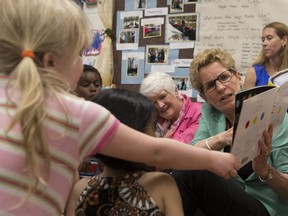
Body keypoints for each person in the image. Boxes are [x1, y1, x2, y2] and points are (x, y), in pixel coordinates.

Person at [0, 1, 240, 215]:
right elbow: (156, 151)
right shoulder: (75, 112)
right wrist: (212, 160)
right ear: (51, 61)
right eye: (79, 54)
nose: (82, 62)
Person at [172, 48, 288, 216]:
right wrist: (222, 138)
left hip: (266, 208)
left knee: (190, 175)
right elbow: (191, 153)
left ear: (238, 77)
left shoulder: (273, 116)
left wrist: (264, 170)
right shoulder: (210, 114)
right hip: (227, 204)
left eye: (224, 77)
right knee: (176, 179)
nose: (220, 87)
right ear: (204, 97)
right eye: (211, 85)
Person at [65, 88, 184, 216]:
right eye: (153, 128)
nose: (156, 137)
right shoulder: (162, 184)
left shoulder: (81, 189)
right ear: (133, 134)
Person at [140, 71, 202, 144]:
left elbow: (183, 145)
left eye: (162, 97)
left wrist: (161, 144)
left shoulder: (199, 113)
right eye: (154, 102)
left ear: (175, 91)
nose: (160, 105)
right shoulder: (154, 118)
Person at [244, 22, 288, 89]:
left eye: (269, 38)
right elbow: (247, 99)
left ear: (284, 40)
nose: (264, 43)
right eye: (263, 39)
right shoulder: (253, 73)